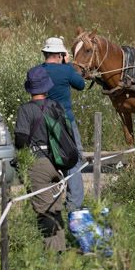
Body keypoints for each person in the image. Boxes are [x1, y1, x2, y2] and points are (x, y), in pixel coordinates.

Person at [14, 66, 69, 252]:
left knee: (44, 212)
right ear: (46, 87)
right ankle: (61, 249)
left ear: (30, 88)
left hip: (38, 164)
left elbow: (21, 141)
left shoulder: (26, 110)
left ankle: (53, 256)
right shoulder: (56, 106)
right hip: (58, 163)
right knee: (55, 207)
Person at [39, 36, 86, 211]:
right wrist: (67, 65)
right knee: (74, 158)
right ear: (60, 54)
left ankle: (48, 203)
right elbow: (80, 85)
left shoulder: (37, 71)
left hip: (43, 121)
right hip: (66, 121)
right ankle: (74, 204)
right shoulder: (66, 71)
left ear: (45, 53)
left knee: (48, 159)